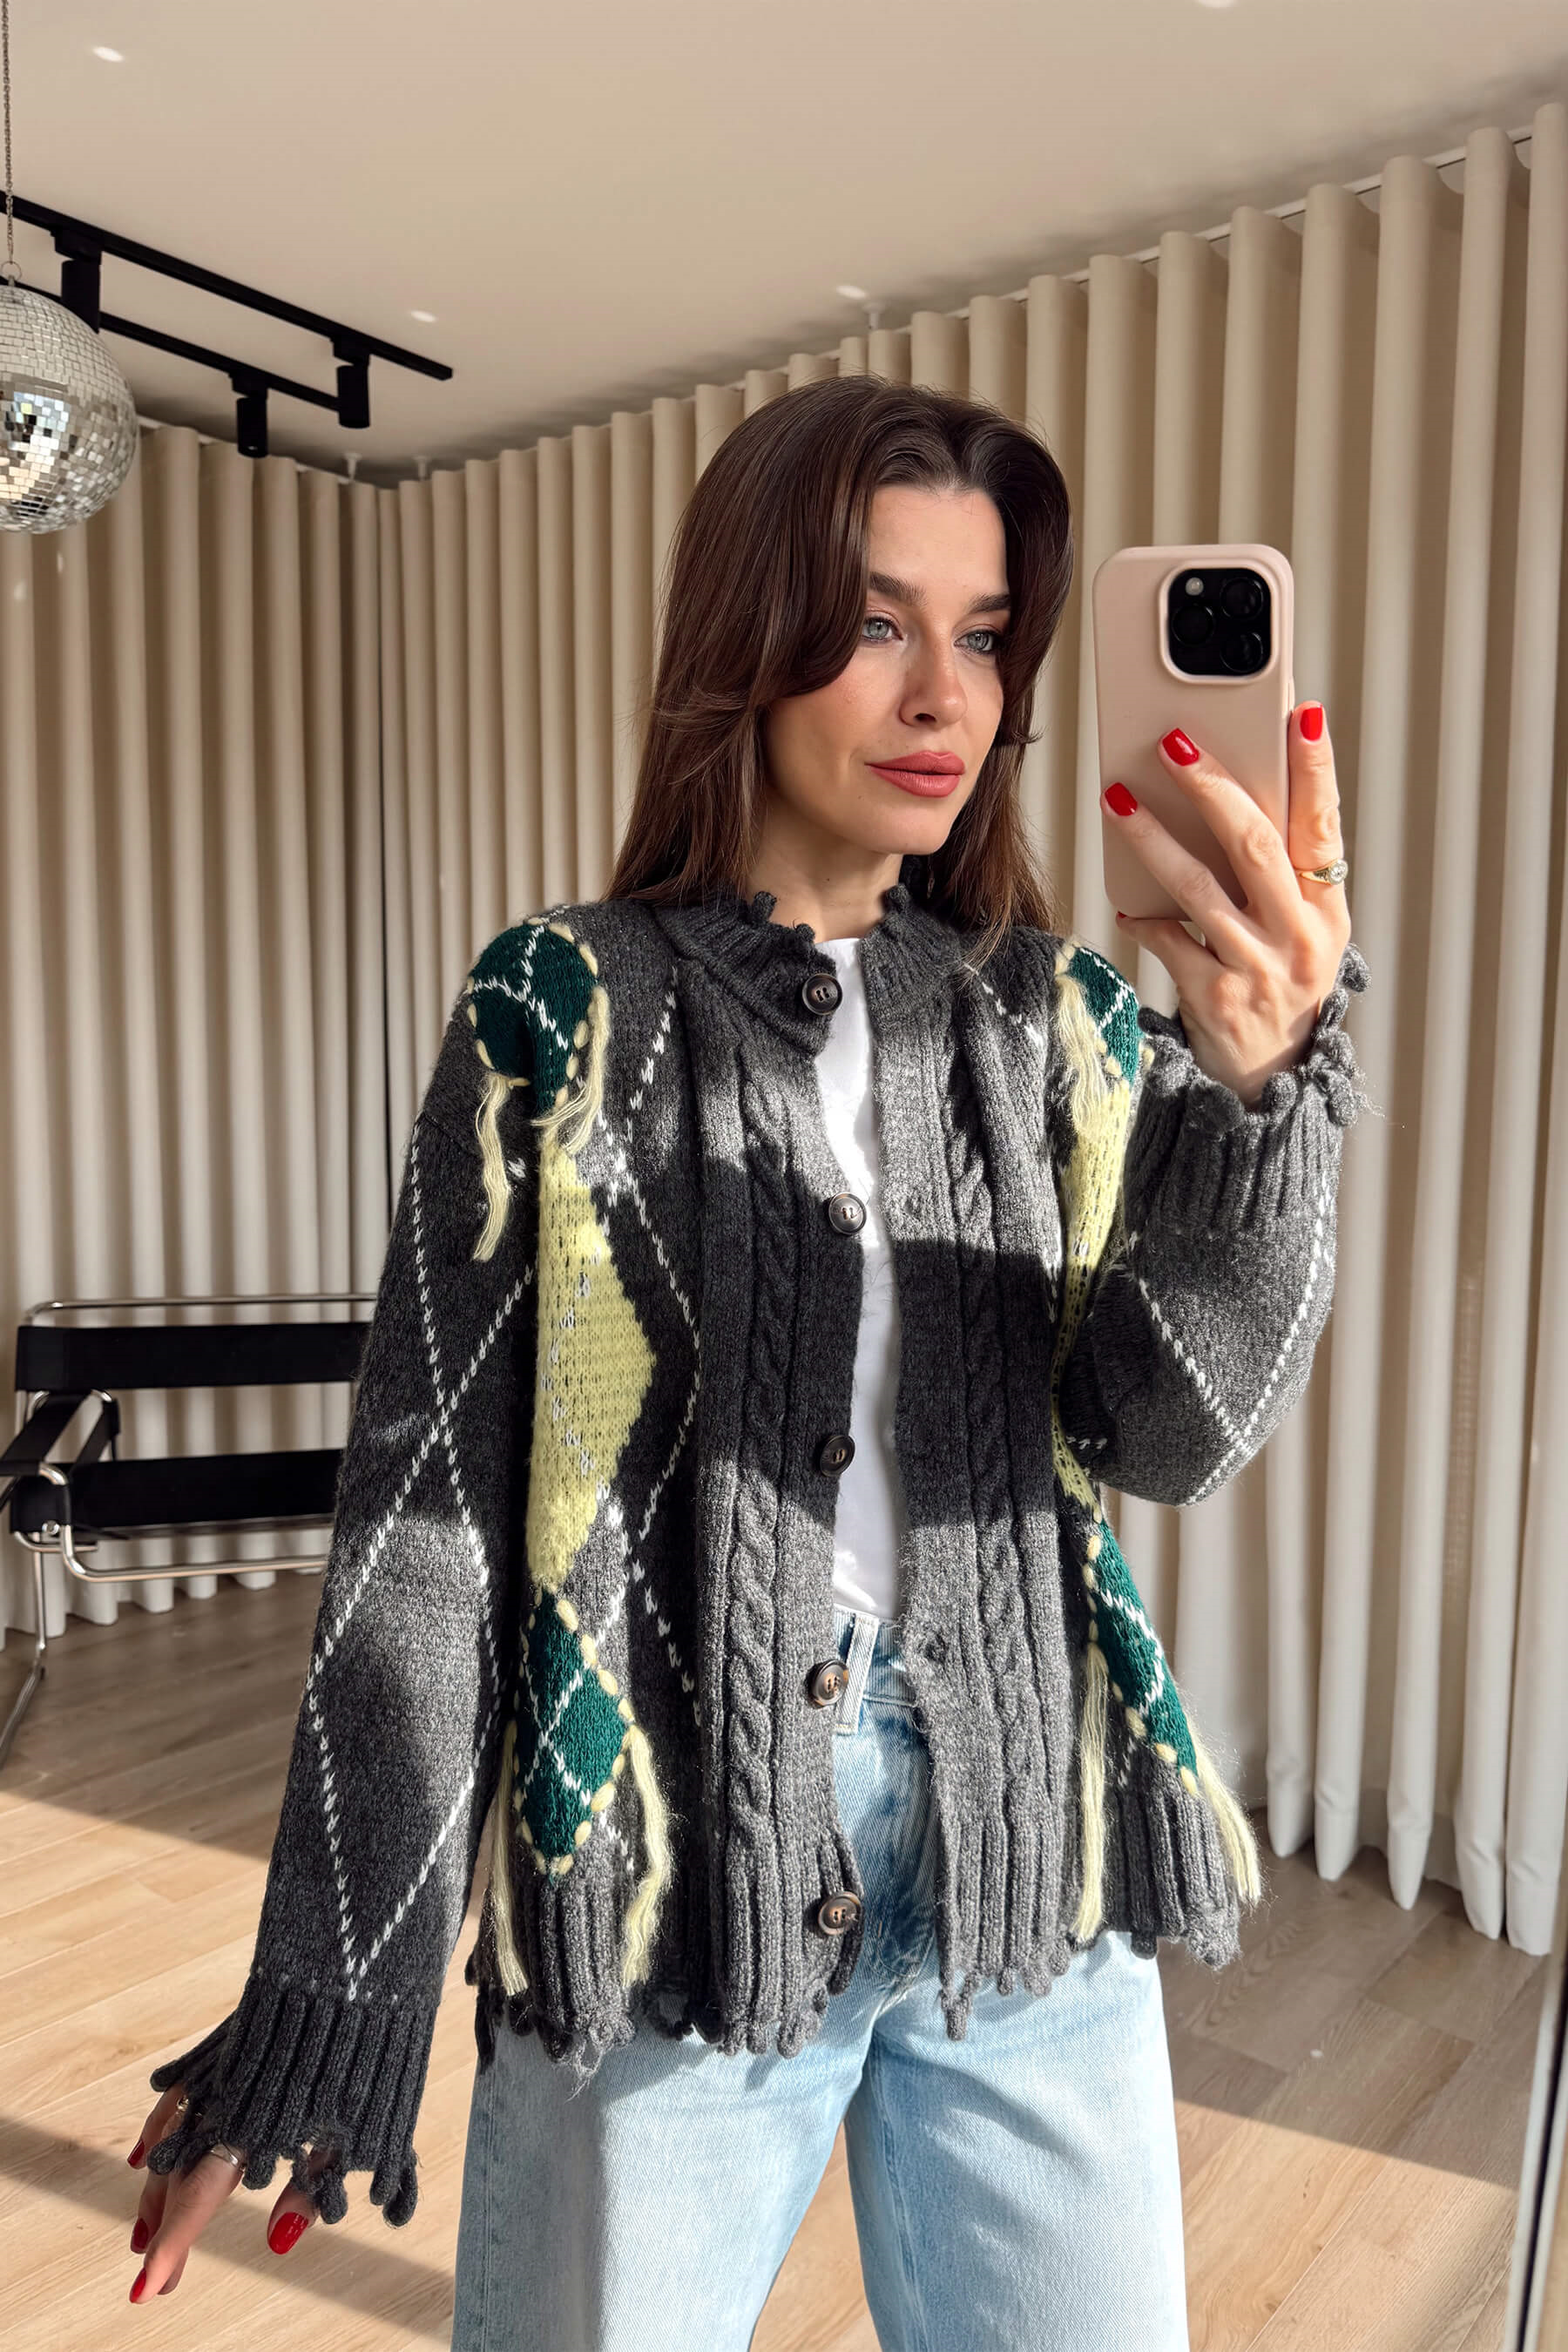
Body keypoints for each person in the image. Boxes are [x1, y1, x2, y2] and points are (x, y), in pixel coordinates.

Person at [122, 375, 1363, 2348]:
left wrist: (1268, 1094)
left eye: (986, 636)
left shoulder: (1053, 1018)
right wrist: (326, 2006)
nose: (945, 695)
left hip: (1029, 1876)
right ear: (747, 636)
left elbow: (1169, 1433)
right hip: (663, 1893)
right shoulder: (562, 1004)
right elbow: (428, 1534)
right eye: (876, 622)